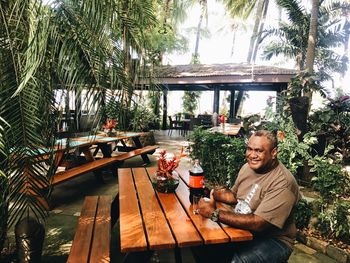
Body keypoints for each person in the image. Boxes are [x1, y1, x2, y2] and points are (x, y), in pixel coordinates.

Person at [195, 130, 301, 263]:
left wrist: (214, 213)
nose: (252, 155)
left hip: (274, 240)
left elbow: (259, 223)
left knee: (238, 261)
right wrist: (209, 192)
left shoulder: (283, 183)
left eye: (259, 150)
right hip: (246, 232)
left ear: (273, 153)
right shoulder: (248, 168)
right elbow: (234, 196)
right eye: (249, 149)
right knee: (203, 245)